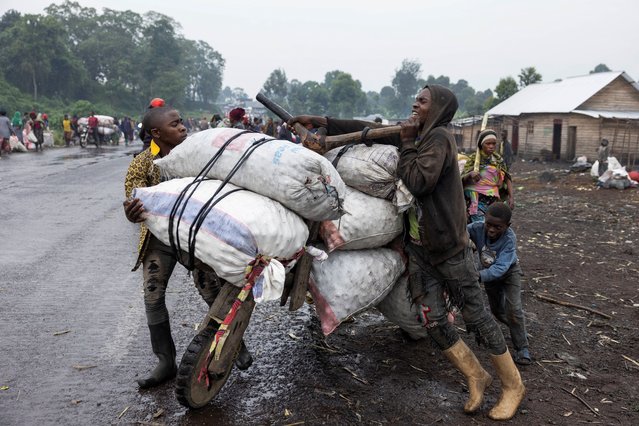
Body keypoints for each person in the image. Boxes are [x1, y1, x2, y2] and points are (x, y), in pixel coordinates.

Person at [288, 85, 525, 421]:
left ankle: (513, 385)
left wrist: (410, 140)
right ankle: (476, 375)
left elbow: (417, 181)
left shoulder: (439, 139)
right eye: (416, 98)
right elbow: (365, 131)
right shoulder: (415, 135)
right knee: (432, 319)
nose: (416, 102)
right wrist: (320, 120)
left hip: (450, 251)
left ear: (439, 109)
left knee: (477, 317)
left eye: (423, 100)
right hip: (420, 251)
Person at [124, 106, 252, 388]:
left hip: (195, 237)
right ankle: (165, 362)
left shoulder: (199, 155)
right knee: (153, 295)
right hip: (159, 240)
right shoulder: (142, 164)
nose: (182, 128)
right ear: (157, 133)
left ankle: (234, 345)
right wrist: (131, 211)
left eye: (182, 122)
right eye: (175, 124)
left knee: (211, 290)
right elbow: (130, 201)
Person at [467, 203, 531, 366]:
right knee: (498, 311)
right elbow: (460, 232)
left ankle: (522, 348)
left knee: (514, 309)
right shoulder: (477, 228)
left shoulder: (509, 239)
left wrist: (478, 276)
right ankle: (519, 330)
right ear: (484, 220)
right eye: (489, 224)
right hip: (490, 278)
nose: (492, 230)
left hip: (510, 274)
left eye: (498, 227)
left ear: (507, 226)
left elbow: (501, 267)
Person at [461, 129, 514, 223]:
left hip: (493, 199)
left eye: (493, 144)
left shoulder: (498, 159)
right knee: (478, 224)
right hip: (474, 198)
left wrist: (511, 197)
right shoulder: (474, 159)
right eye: (488, 143)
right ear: (481, 144)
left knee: (491, 223)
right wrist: (470, 174)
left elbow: (507, 178)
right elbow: (461, 179)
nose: (491, 146)